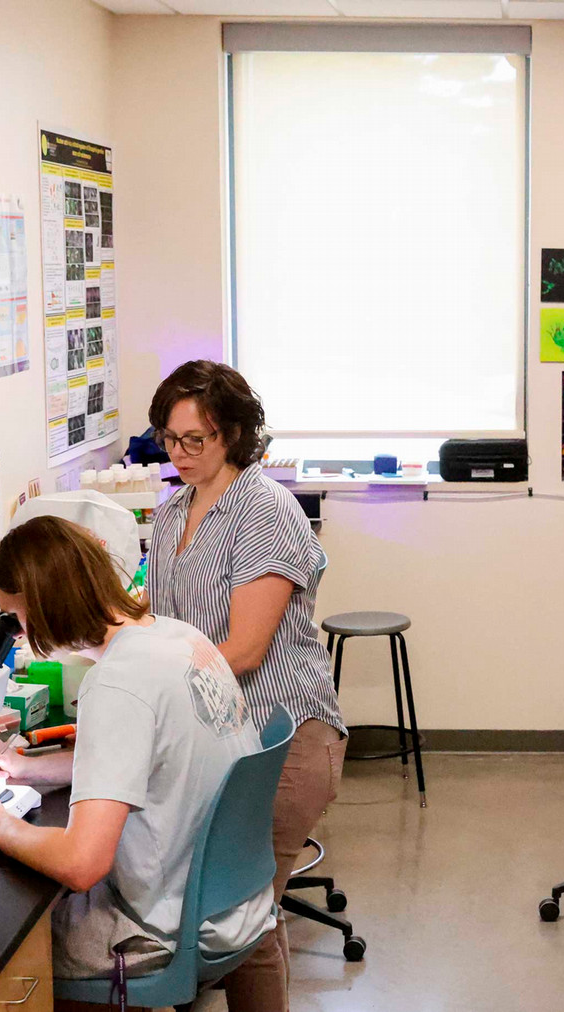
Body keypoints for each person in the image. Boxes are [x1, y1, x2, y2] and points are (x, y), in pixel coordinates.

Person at [0, 516, 271, 1008]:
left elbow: (82, 864)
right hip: (232, 902)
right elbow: (156, 761)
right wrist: (29, 769)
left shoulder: (117, 684)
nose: (17, 634)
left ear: (42, 605)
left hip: (156, 928)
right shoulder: (179, 638)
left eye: (14, 617)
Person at [144, 360, 347, 1012]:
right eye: (168, 439)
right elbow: (162, 629)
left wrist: (149, 689)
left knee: (243, 919)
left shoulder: (264, 510)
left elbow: (246, 647)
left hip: (277, 742)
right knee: (250, 918)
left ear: (232, 433)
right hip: (218, 737)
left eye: (193, 440)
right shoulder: (173, 511)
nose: (177, 454)